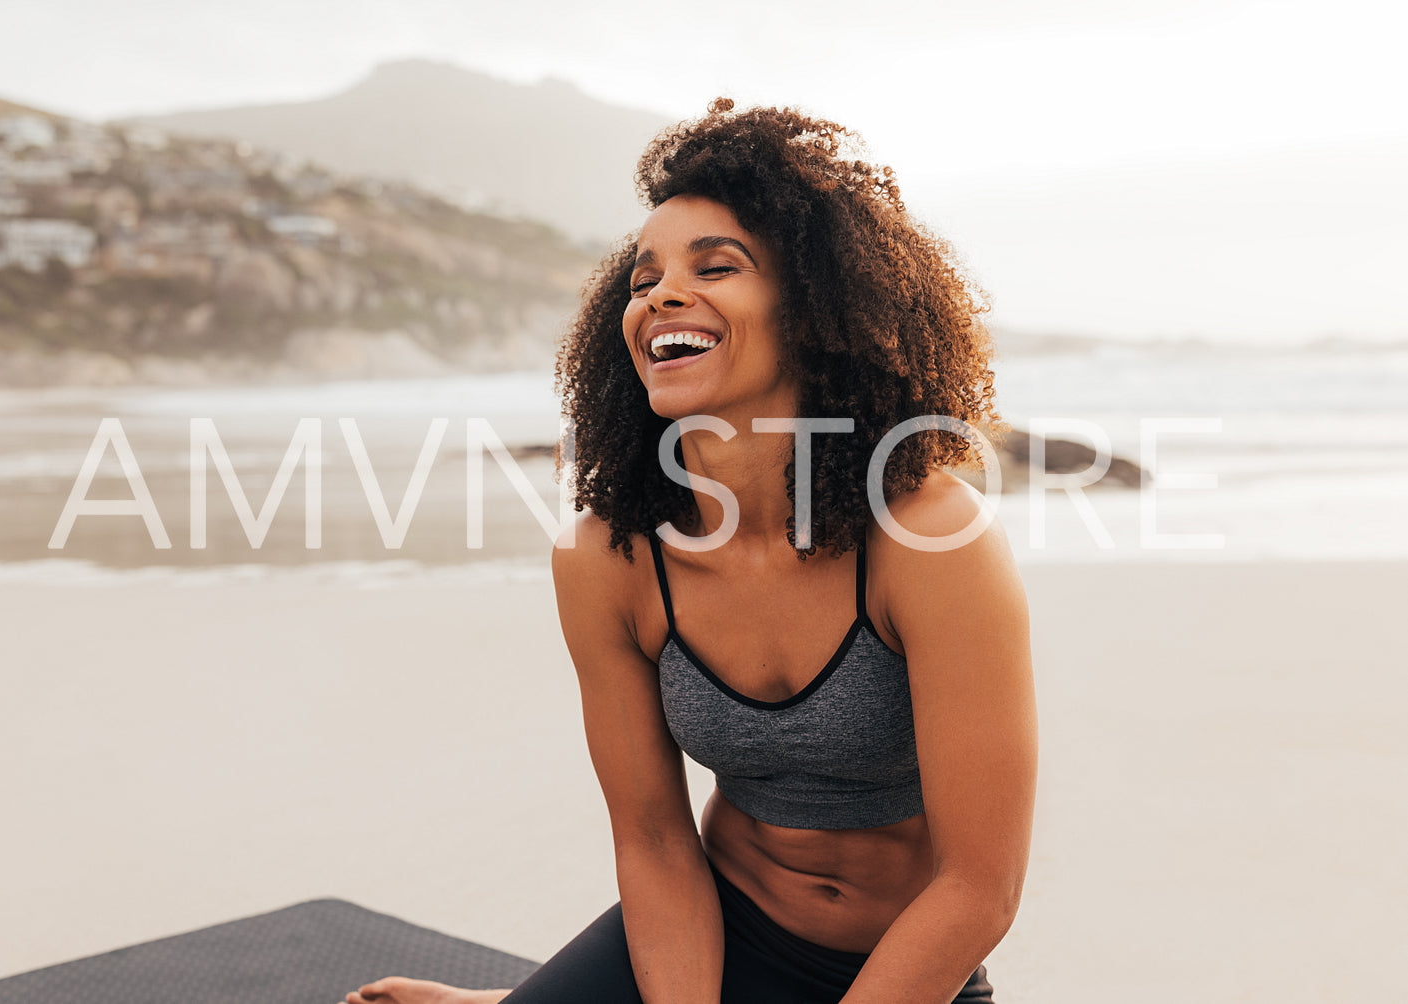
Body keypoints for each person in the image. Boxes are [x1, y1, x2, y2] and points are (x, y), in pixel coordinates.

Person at [342, 98, 1036, 1004]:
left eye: (717, 267)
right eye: (642, 280)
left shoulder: (927, 537)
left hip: (903, 970)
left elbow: (976, 889)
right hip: (716, 924)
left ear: (817, 309)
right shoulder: (607, 556)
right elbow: (656, 843)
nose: (662, 295)